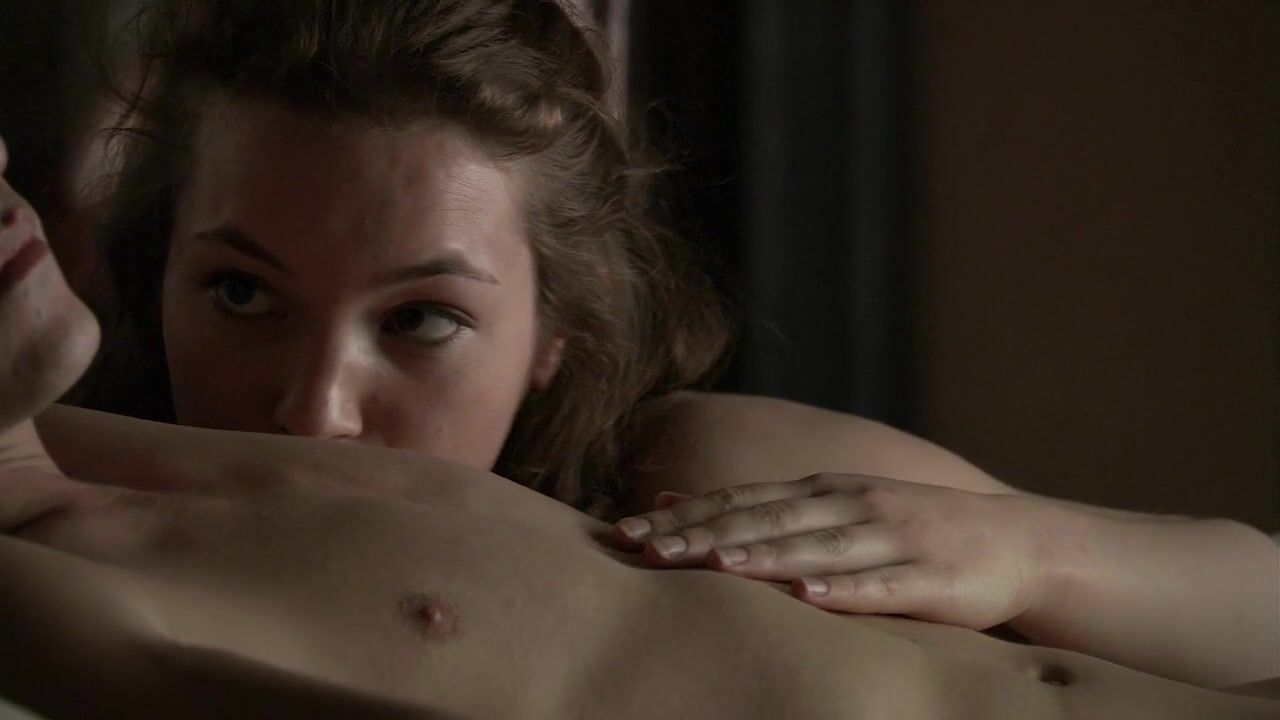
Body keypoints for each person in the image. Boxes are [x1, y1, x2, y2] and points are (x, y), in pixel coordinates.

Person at [48, 0, 1278, 688]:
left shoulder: (691, 480)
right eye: (242, 295)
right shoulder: (64, 543)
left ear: (551, 336)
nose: (317, 409)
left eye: (421, 319)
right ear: (158, 279)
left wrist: (1028, 553)